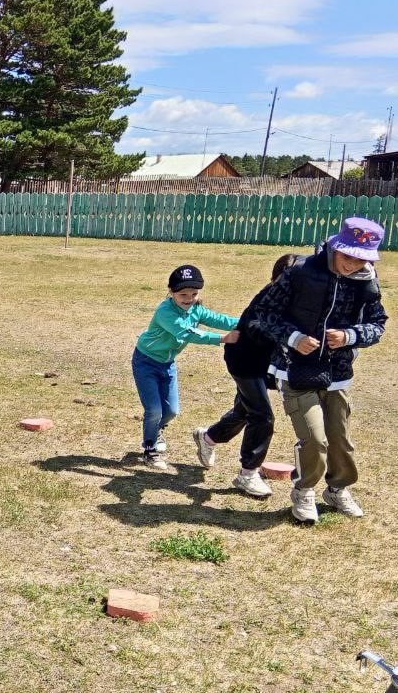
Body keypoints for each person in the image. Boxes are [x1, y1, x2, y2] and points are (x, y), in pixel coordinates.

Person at [251, 217, 387, 523]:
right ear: (335, 247)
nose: (352, 264)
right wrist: (294, 338)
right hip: (295, 369)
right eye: (347, 255)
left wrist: (350, 336)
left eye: (362, 258)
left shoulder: (367, 281)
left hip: (338, 373)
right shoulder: (300, 271)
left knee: (340, 438)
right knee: (315, 438)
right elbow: (265, 311)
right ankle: (305, 491)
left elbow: (377, 325)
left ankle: (337, 489)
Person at [192, 254, 299, 497]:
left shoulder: (298, 298)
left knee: (244, 411)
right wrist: (287, 337)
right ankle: (247, 474)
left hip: (266, 364)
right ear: (276, 279)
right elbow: (255, 328)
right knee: (262, 417)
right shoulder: (269, 297)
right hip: (244, 361)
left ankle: (207, 438)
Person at [132, 265, 239, 470]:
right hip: (146, 362)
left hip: (167, 364)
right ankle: (150, 450)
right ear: (171, 292)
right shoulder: (165, 312)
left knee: (172, 411)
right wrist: (222, 339)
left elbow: (219, 319)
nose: (189, 298)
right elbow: (187, 333)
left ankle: (157, 430)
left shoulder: (196, 308)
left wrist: (247, 321)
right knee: (154, 410)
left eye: (194, 293)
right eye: (183, 294)